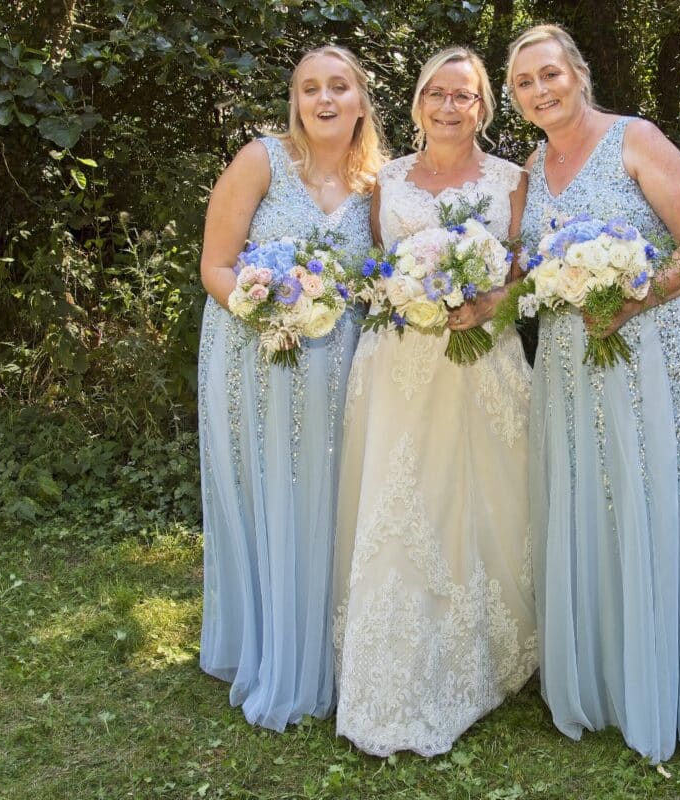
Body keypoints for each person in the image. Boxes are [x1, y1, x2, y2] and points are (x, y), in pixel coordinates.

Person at [506, 24, 680, 762]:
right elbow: (521, 266)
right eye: (524, 83)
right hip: (571, 355)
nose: (541, 90)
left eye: (550, 73)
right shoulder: (530, 167)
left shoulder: (637, 139)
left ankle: (659, 682)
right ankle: (597, 676)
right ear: (515, 98)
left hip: (651, 347)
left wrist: (636, 297)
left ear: (577, 71)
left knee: (648, 499)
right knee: (583, 500)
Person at [332, 46, 536, 758]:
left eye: (466, 96)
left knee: (481, 505)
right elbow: (374, 269)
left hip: (480, 362)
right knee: (400, 503)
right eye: (437, 93)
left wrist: (487, 304)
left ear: (485, 106)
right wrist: (403, 292)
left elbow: (522, 276)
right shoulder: (383, 179)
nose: (450, 107)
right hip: (397, 368)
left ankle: (490, 652)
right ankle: (387, 669)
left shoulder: (514, 179)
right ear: (417, 101)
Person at [197, 45, 385, 730]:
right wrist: (266, 309)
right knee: (268, 494)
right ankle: (269, 647)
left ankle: (330, 650)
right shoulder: (260, 161)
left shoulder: (378, 187)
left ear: (362, 101)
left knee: (330, 501)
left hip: (342, 368)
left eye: (339, 87)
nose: (324, 99)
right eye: (310, 88)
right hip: (257, 358)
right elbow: (215, 266)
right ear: (295, 101)